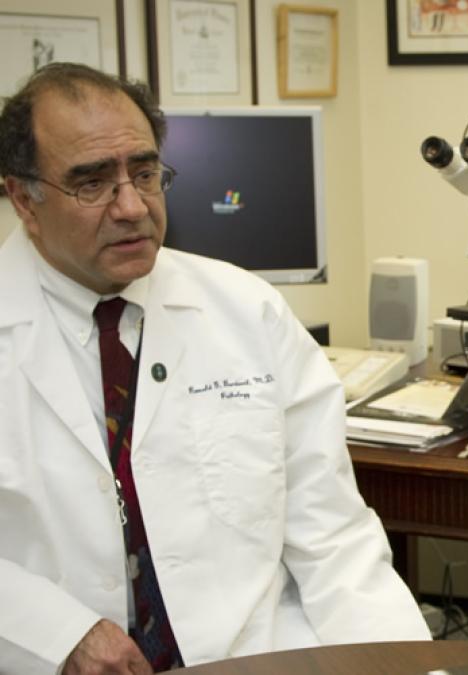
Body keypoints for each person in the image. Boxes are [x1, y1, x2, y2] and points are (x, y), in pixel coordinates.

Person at [0, 63, 429, 674]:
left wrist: (407, 666)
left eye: (145, 174)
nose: (132, 207)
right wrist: (59, 632)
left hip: (254, 657)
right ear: (24, 199)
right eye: (92, 183)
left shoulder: (245, 310)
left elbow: (330, 532)